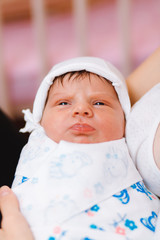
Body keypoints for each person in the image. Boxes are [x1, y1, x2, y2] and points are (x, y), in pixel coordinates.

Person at [5, 56, 159, 240]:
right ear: (40, 120)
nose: (81, 110)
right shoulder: (38, 149)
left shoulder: (132, 152)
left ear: (125, 121)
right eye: (64, 103)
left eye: (99, 103)